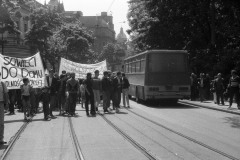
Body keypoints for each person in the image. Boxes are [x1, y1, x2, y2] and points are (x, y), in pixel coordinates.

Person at [0, 72, 9, 144]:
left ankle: (1, 138)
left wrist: (6, 104)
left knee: (1, 122)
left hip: (1, 104)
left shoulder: (2, 84)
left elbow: (6, 94)